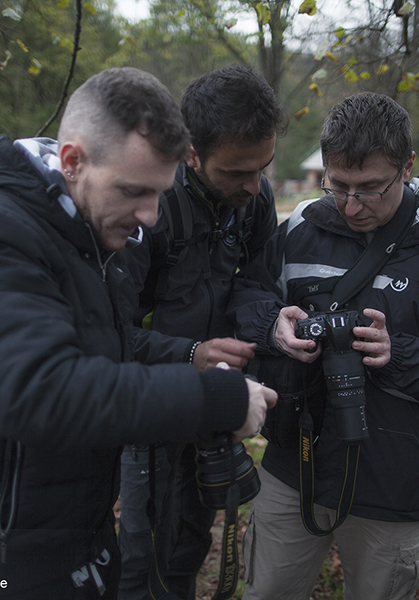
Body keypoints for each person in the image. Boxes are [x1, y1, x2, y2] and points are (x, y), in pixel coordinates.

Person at [0, 67, 276, 600]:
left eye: (158, 193)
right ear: (72, 161)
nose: (149, 218)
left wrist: (192, 357)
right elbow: (40, 393)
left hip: (77, 537)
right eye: (134, 191)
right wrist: (216, 398)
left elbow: (113, 351)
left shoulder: (86, 231)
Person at [228, 92, 419, 600]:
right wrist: (274, 325)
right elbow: (247, 295)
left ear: (407, 168)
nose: (352, 205)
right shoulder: (299, 228)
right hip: (297, 461)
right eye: (338, 186)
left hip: (396, 477)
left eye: (370, 188)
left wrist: (398, 354)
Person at [117, 64, 286, 600]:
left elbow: (257, 283)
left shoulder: (254, 199)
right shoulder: (146, 206)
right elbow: (108, 333)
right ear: (190, 152)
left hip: (209, 406)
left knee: (188, 541)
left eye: (264, 167)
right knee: (140, 555)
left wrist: (270, 323)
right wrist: (189, 353)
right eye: (237, 172)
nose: (254, 185)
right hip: (143, 406)